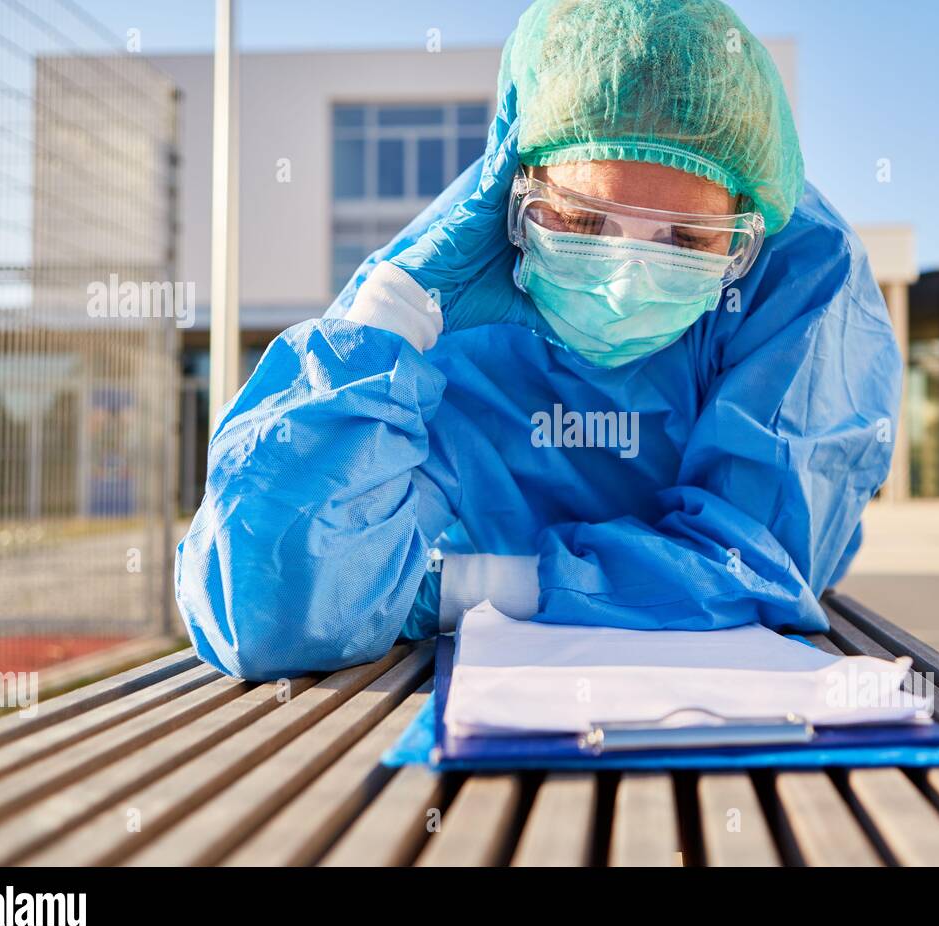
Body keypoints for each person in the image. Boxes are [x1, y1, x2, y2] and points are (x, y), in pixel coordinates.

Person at [176, 0, 902, 680]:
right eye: (585, 224)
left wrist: (462, 587)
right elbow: (269, 606)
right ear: (521, 196)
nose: (625, 284)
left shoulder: (800, 272)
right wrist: (397, 308)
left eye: (687, 239)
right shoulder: (443, 286)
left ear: (748, 228)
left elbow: (756, 564)